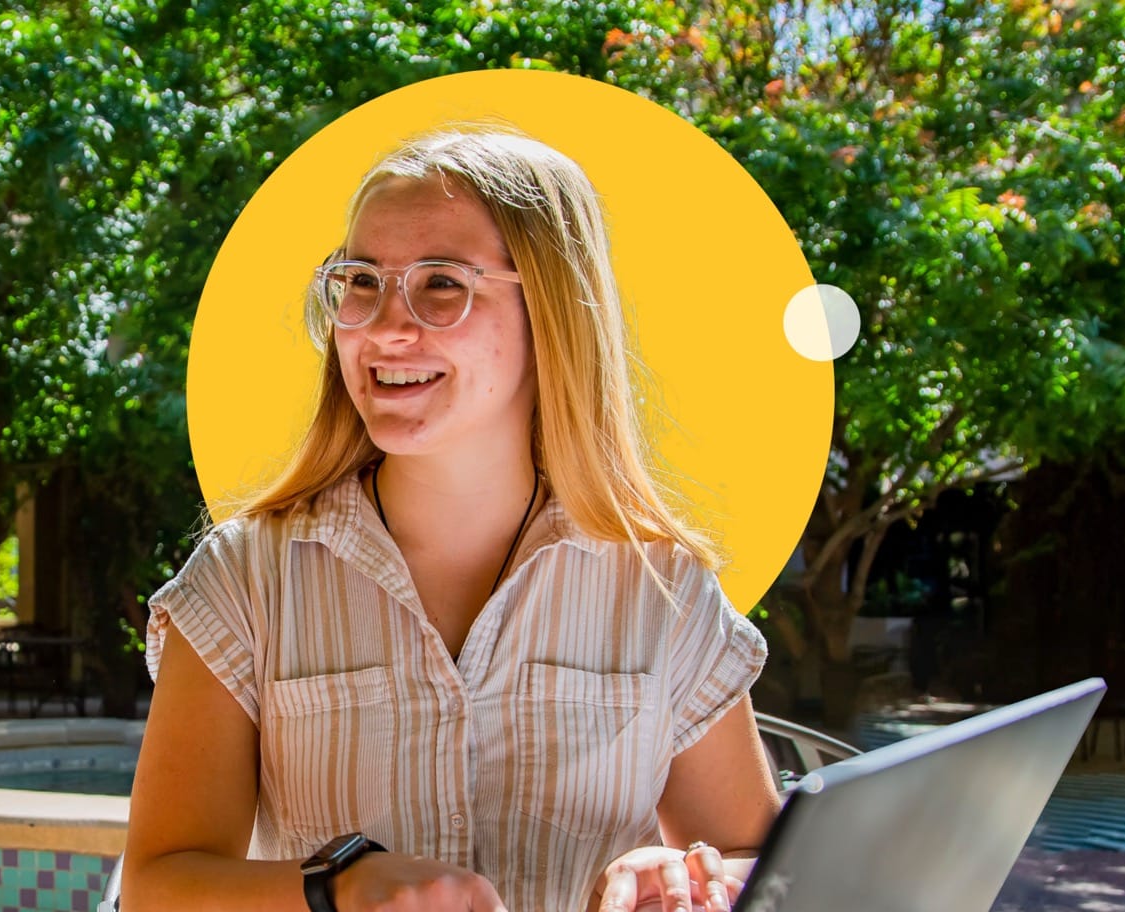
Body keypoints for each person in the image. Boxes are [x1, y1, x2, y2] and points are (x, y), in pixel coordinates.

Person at [120, 128, 782, 912]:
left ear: (554, 314)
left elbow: (765, 865)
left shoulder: (664, 588)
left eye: (441, 284)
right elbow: (156, 887)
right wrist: (338, 890)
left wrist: (681, 877)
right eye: (361, 281)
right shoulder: (244, 581)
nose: (386, 327)